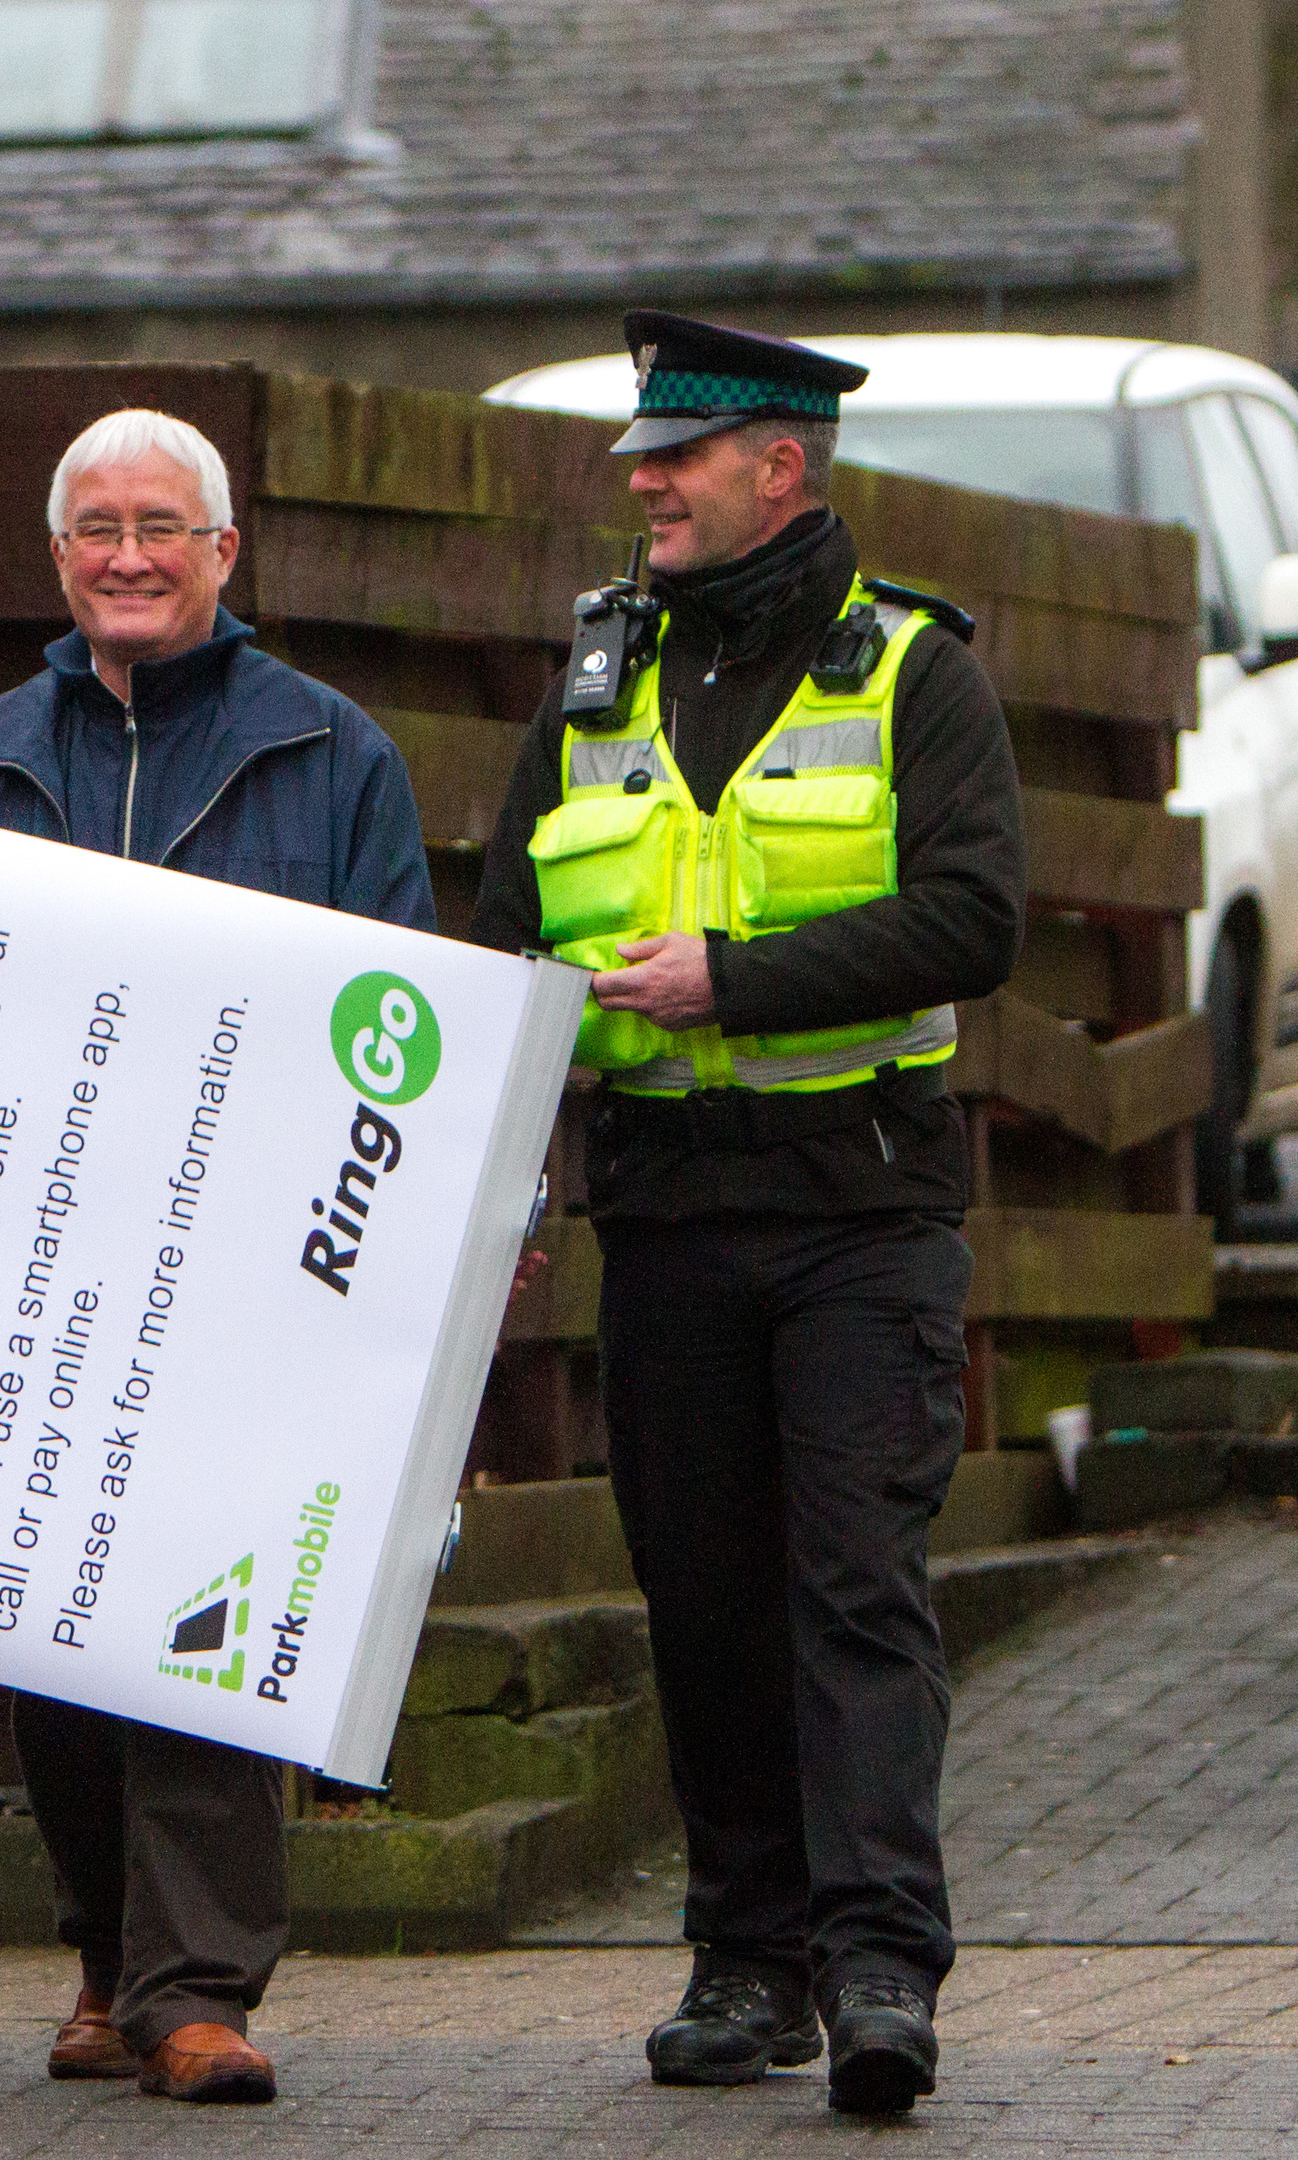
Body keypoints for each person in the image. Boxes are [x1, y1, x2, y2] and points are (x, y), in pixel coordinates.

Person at [466, 315, 1023, 2116]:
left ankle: (877, 1968)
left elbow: (971, 921)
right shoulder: (591, 678)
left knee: (849, 1588)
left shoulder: (909, 672)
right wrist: (485, 1180)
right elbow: (499, 941)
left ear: (776, 465)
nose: (637, 482)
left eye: (671, 456)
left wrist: (740, 976)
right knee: (696, 1601)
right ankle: (742, 1962)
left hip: (860, 1212)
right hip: (665, 1222)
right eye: (638, 458)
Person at [0, 408, 434, 2107]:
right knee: (44, 1629)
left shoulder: (328, 757)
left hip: (246, 1260)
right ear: (57, 557)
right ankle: (105, 1957)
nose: (126, 555)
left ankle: (192, 1990)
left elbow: (398, 1003)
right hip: (29, 1261)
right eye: (95, 527)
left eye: (160, 527)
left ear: (221, 554)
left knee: (198, 1614)